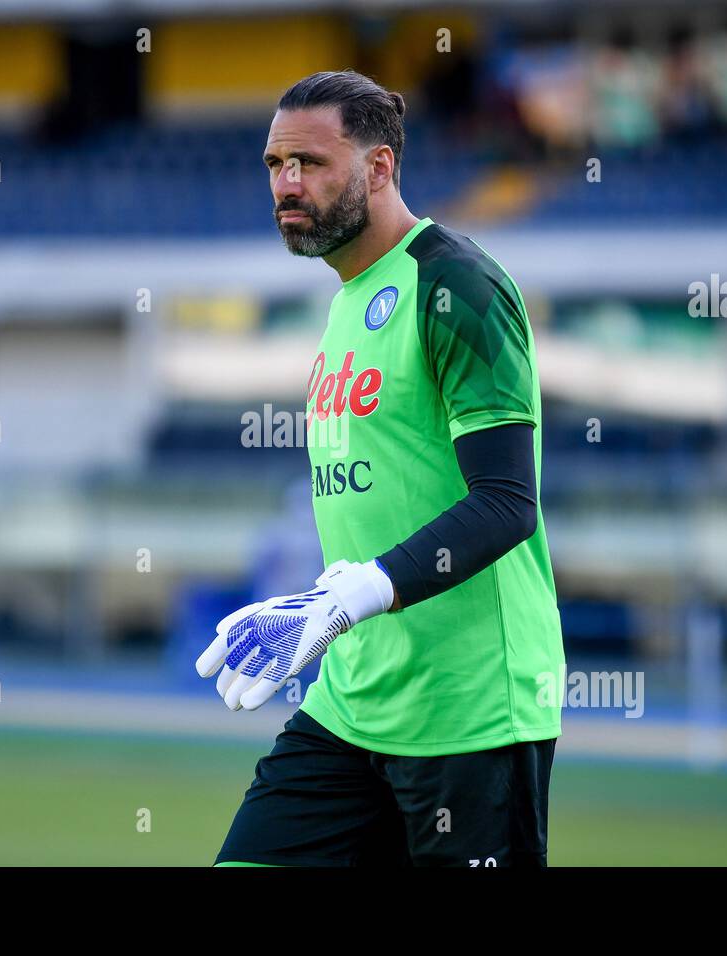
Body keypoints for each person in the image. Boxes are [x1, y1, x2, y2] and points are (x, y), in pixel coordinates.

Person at [195, 70, 565, 866]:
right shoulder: (344, 300)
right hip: (353, 703)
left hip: (470, 716)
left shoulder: (456, 284)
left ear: (379, 167)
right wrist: (318, 607)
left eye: (311, 163)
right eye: (274, 164)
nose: (287, 184)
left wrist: (348, 598)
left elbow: (507, 502)